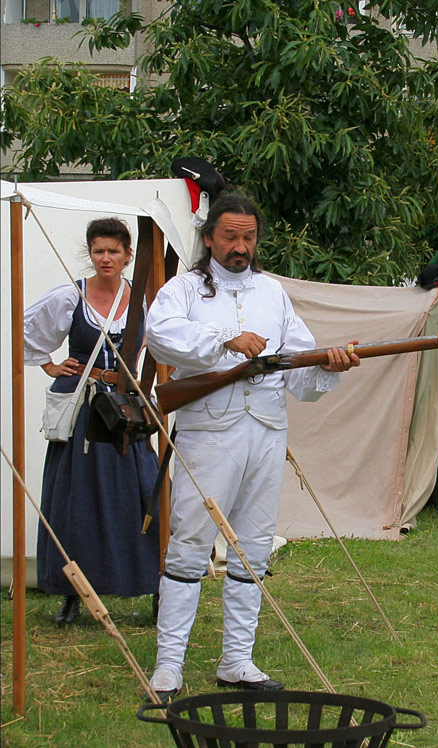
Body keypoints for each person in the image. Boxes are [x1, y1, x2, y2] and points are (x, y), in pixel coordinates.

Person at [145, 195, 360, 699]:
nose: (240, 247)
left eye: (248, 238)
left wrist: (326, 364)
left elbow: (297, 367)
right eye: (230, 237)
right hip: (209, 432)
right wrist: (226, 339)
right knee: (190, 546)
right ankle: (168, 664)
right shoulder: (183, 289)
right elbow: (162, 337)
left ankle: (237, 660)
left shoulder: (272, 291)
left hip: (266, 430)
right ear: (208, 238)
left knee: (253, 549)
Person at [24, 218, 161, 625]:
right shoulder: (71, 295)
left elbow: (168, 345)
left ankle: (154, 586)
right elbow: (25, 330)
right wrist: (50, 365)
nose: (106, 258)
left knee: (141, 494)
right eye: (99, 251)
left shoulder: (145, 300)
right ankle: (72, 591)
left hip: (126, 409)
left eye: (113, 251)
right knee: (75, 501)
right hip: (83, 406)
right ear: (91, 252)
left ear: (127, 256)